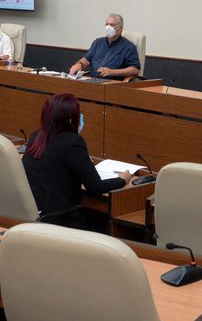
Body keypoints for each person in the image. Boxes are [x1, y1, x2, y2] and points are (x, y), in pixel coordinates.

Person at [22, 93, 131, 229]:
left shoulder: (36, 136)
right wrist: (122, 179)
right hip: (60, 218)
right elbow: (96, 188)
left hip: (34, 214)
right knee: (102, 220)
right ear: (69, 118)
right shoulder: (73, 142)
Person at [69, 13, 140, 79]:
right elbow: (87, 59)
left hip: (113, 84)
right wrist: (79, 64)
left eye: (112, 25)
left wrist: (112, 72)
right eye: (107, 24)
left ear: (120, 28)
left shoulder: (128, 47)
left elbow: (134, 70)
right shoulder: (98, 42)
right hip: (93, 81)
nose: (108, 27)